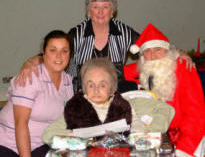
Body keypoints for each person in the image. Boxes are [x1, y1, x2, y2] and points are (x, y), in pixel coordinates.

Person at [15, 0, 193, 93]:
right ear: (88, 10)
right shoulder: (76, 33)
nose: (100, 12)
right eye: (95, 6)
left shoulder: (124, 32)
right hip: (80, 97)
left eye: (105, 6)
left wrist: (180, 53)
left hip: (116, 95)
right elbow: (54, 53)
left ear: (113, 9)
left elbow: (152, 46)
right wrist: (29, 63)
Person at [42, 57, 175, 145]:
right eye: (90, 85)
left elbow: (167, 109)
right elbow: (48, 135)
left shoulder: (126, 104)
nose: (96, 90)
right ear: (84, 89)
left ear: (112, 89)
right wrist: (75, 135)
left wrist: (151, 132)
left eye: (102, 85)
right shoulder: (75, 108)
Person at [124, 23, 205, 157]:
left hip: (184, 138)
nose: (153, 56)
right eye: (148, 51)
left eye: (158, 49)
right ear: (142, 55)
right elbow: (115, 73)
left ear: (167, 51)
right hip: (151, 137)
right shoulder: (145, 68)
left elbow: (196, 114)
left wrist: (185, 148)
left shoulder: (184, 68)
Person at [0, 30, 74, 157]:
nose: (59, 56)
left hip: (41, 144)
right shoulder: (30, 77)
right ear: (43, 53)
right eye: (53, 50)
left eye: (64, 51)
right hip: (9, 144)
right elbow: (20, 124)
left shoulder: (68, 82)